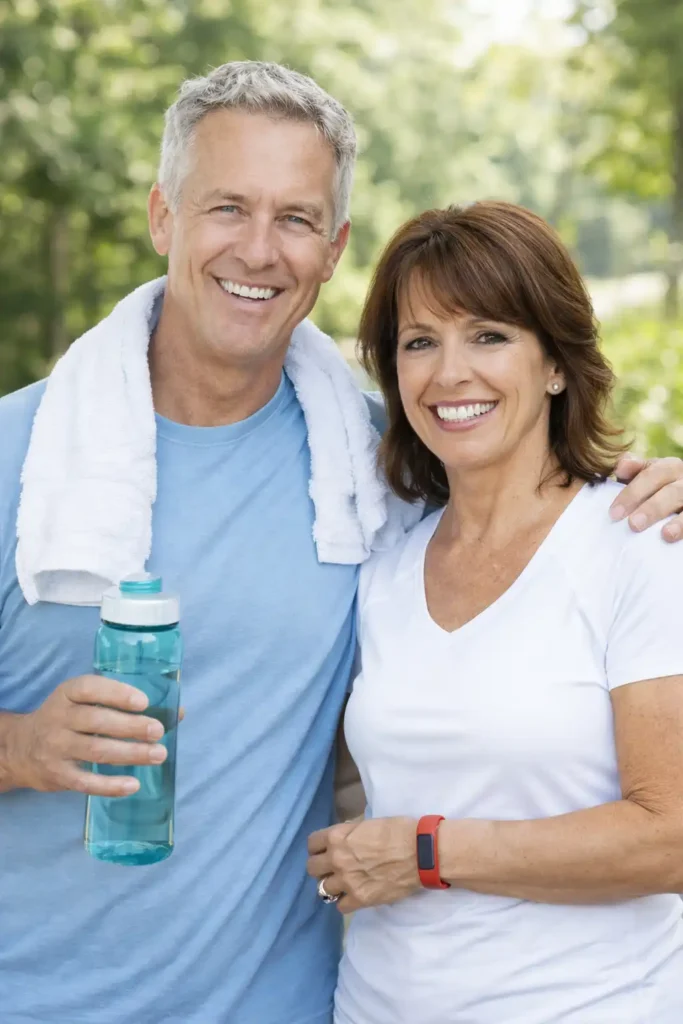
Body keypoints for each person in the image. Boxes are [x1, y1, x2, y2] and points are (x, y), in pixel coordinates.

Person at [0, 62, 680, 1024]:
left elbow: (530, 494)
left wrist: (655, 484)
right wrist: (22, 746)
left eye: (296, 218)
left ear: (333, 248)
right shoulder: (24, 462)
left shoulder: (371, 472)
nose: (260, 249)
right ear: (163, 218)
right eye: (227, 207)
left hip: (281, 1003)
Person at [307, 201, 683, 1024]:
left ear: (555, 361)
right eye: (419, 342)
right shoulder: (382, 564)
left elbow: (671, 837)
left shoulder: (640, 545)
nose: (449, 374)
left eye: (488, 335)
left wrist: (428, 853)